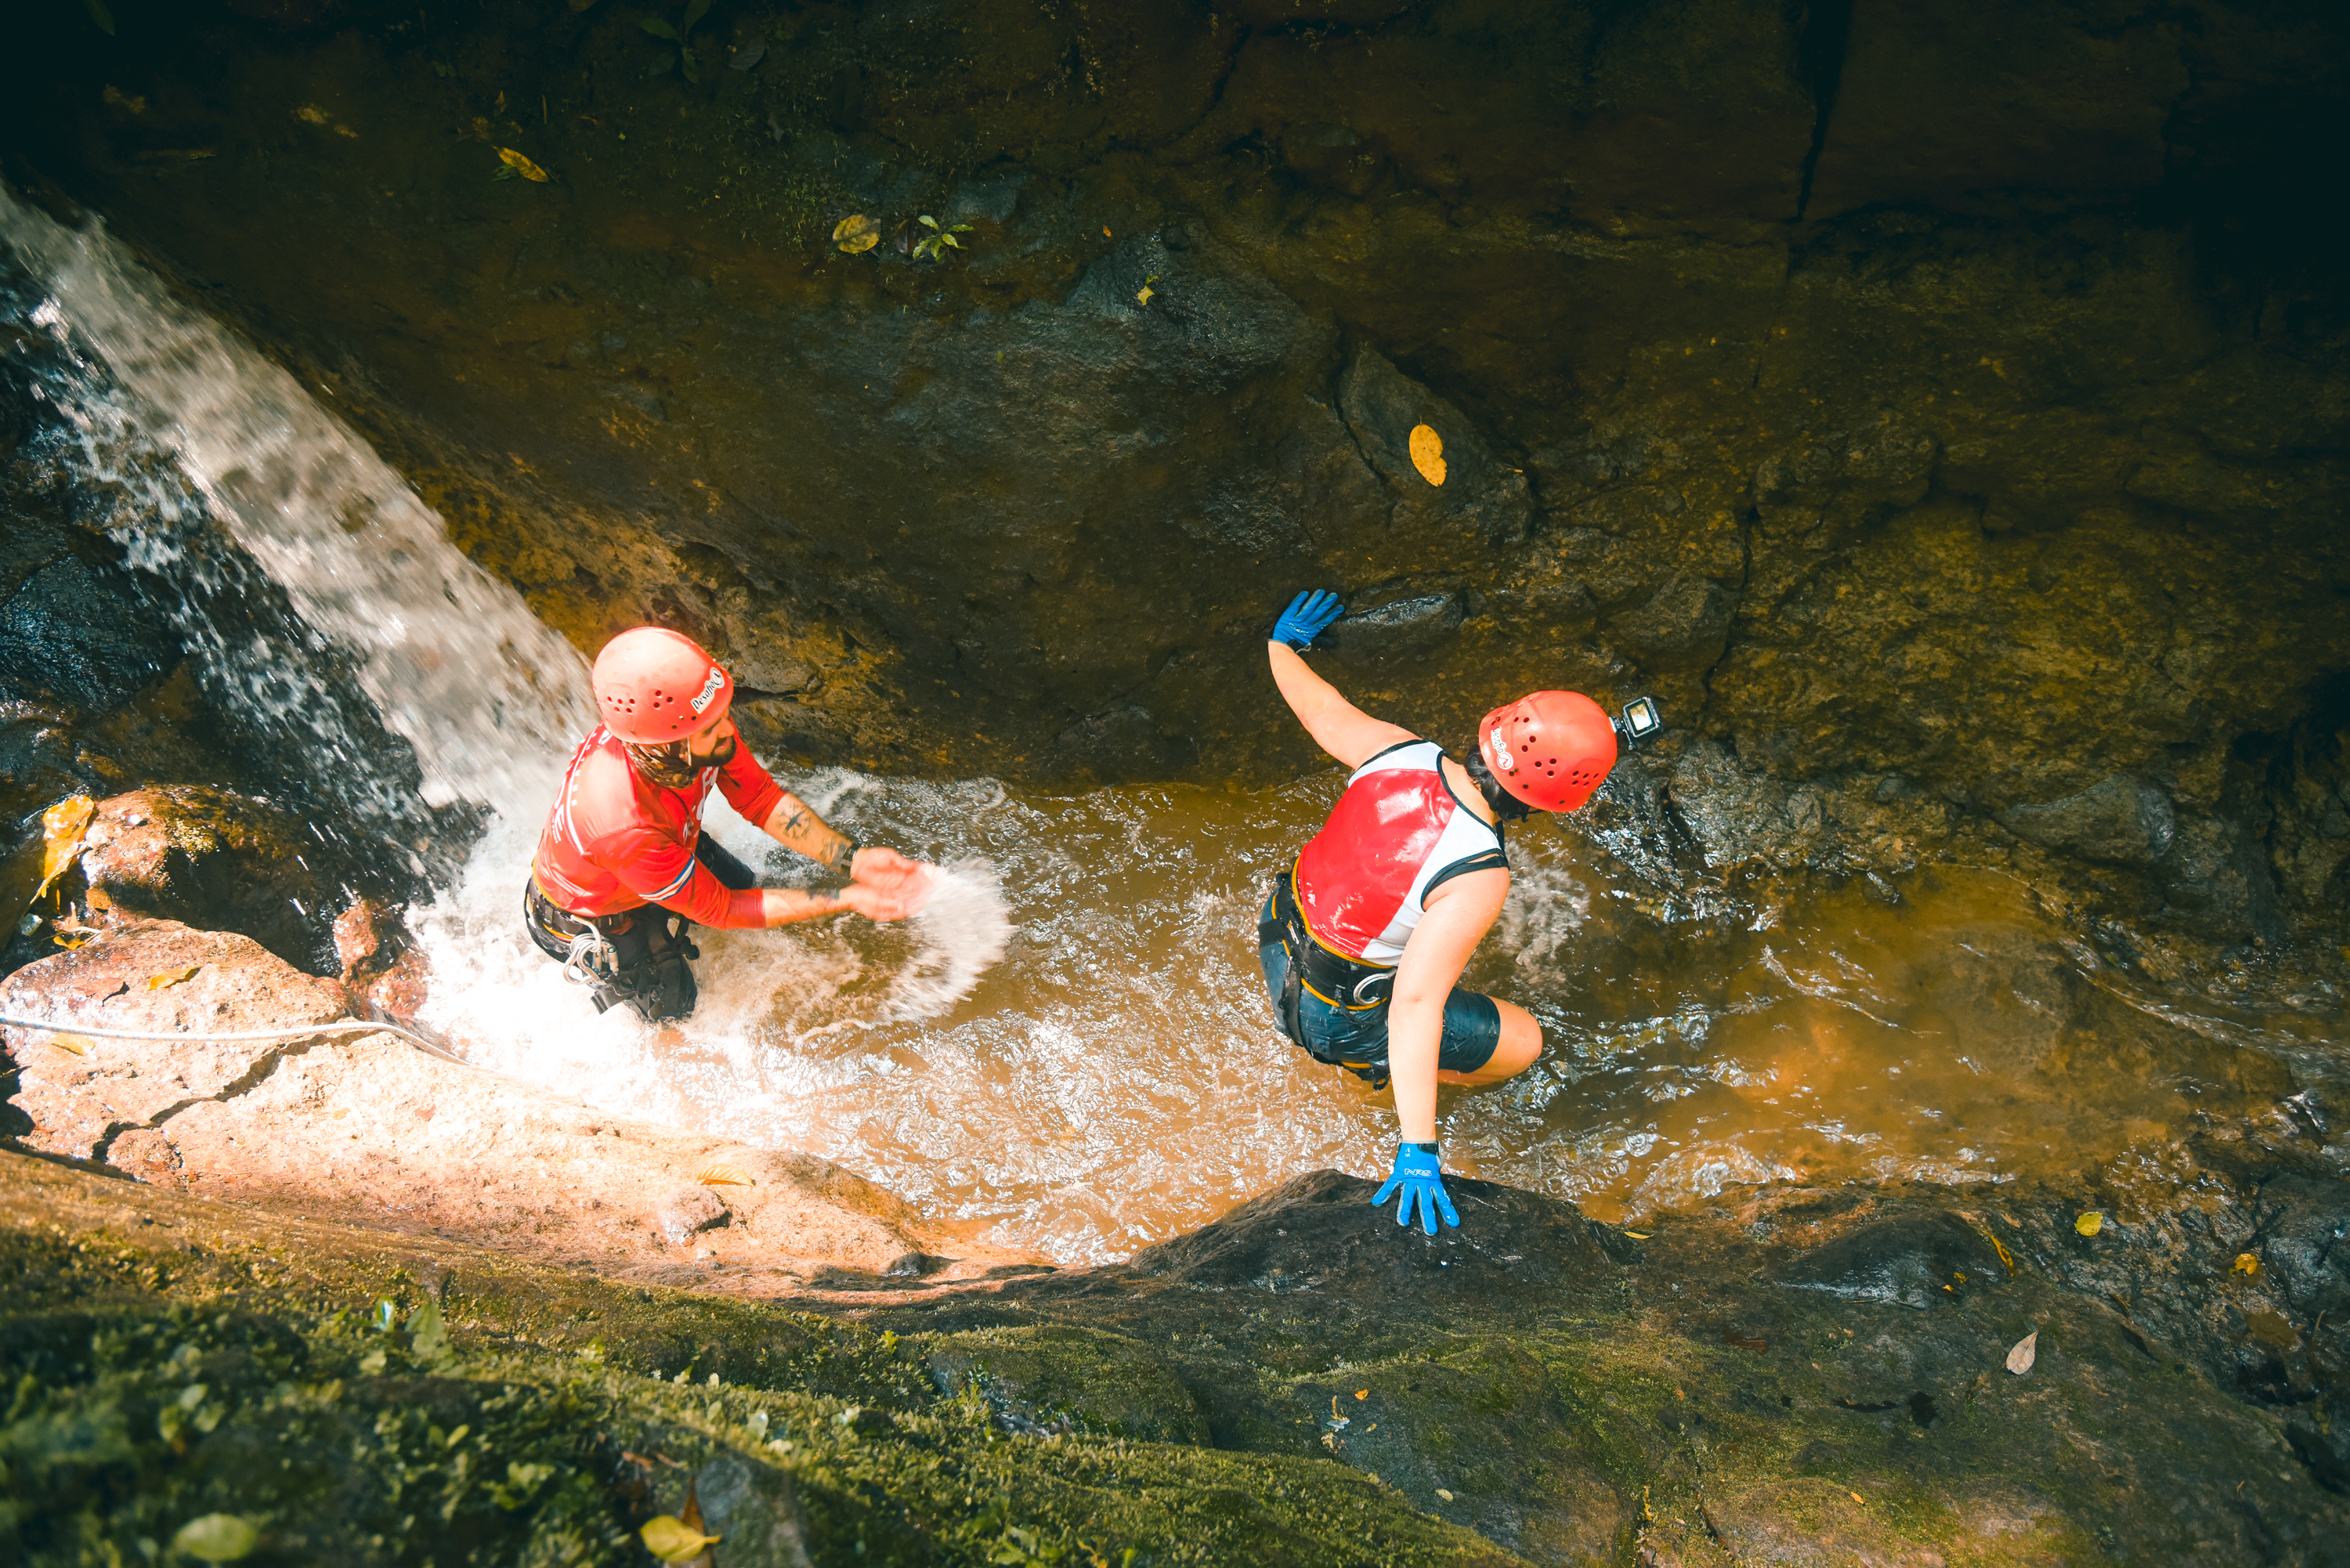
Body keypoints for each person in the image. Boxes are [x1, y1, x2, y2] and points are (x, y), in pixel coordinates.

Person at [1257, 589, 1636, 1235]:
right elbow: (1412, 1004)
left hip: (1277, 937)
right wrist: (1418, 1149)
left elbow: (1322, 711)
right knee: (1524, 1044)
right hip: (1329, 1018)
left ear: (1496, 731)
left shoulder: (1402, 753)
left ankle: (1359, 1051)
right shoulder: (1479, 875)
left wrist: (1281, 644)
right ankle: (1364, 1068)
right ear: (1553, 802)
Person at [526, 627, 934, 1021]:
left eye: (722, 712)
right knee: (674, 1008)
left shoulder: (688, 724)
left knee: (746, 888)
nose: (728, 730)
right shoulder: (624, 823)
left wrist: (854, 862)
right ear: (664, 744)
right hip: (592, 916)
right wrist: (844, 898)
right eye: (710, 726)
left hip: (662, 847)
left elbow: (760, 799)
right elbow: (720, 910)